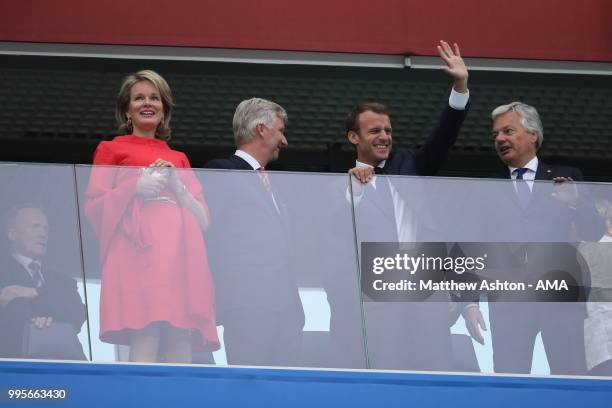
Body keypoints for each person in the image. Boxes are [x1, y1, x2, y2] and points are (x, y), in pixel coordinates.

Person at [332, 41, 471, 371]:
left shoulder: (410, 163)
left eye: (388, 130)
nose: (384, 136)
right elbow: (335, 239)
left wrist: (460, 86)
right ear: (354, 137)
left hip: (426, 286)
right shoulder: (341, 184)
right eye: (375, 130)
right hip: (378, 293)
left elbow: (443, 137)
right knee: (387, 368)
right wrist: (355, 191)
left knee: (435, 369)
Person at [85, 70, 219, 363]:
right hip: (137, 252)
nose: (148, 103)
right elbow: (94, 207)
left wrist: (177, 186)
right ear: (126, 110)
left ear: (164, 109)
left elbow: (204, 219)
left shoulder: (179, 157)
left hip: (179, 254)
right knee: (146, 333)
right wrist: (135, 187)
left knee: (180, 335)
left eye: (155, 98)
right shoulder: (110, 149)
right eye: (139, 98)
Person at [463, 101, 604, 374]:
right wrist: (469, 301)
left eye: (508, 131)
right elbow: (474, 245)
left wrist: (576, 201)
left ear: (532, 135)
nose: (500, 139)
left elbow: (593, 231)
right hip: (509, 301)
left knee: (570, 377)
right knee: (510, 381)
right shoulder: (486, 187)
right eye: (495, 136)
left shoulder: (566, 178)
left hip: (560, 297)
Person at [204, 98, 305, 366]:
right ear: (261, 129)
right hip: (248, 308)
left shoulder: (276, 186)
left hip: (287, 313)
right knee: (250, 390)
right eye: (281, 131)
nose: (284, 141)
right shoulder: (221, 171)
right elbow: (209, 236)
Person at [0, 204, 86, 359]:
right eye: (35, 227)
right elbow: (14, 315)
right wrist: (49, 316)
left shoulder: (63, 280)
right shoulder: (3, 274)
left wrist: (35, 293)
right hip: (13, 370)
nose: (43, 233)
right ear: (12, 234)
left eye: (46, 229)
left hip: (66, 368)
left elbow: (77, 313)